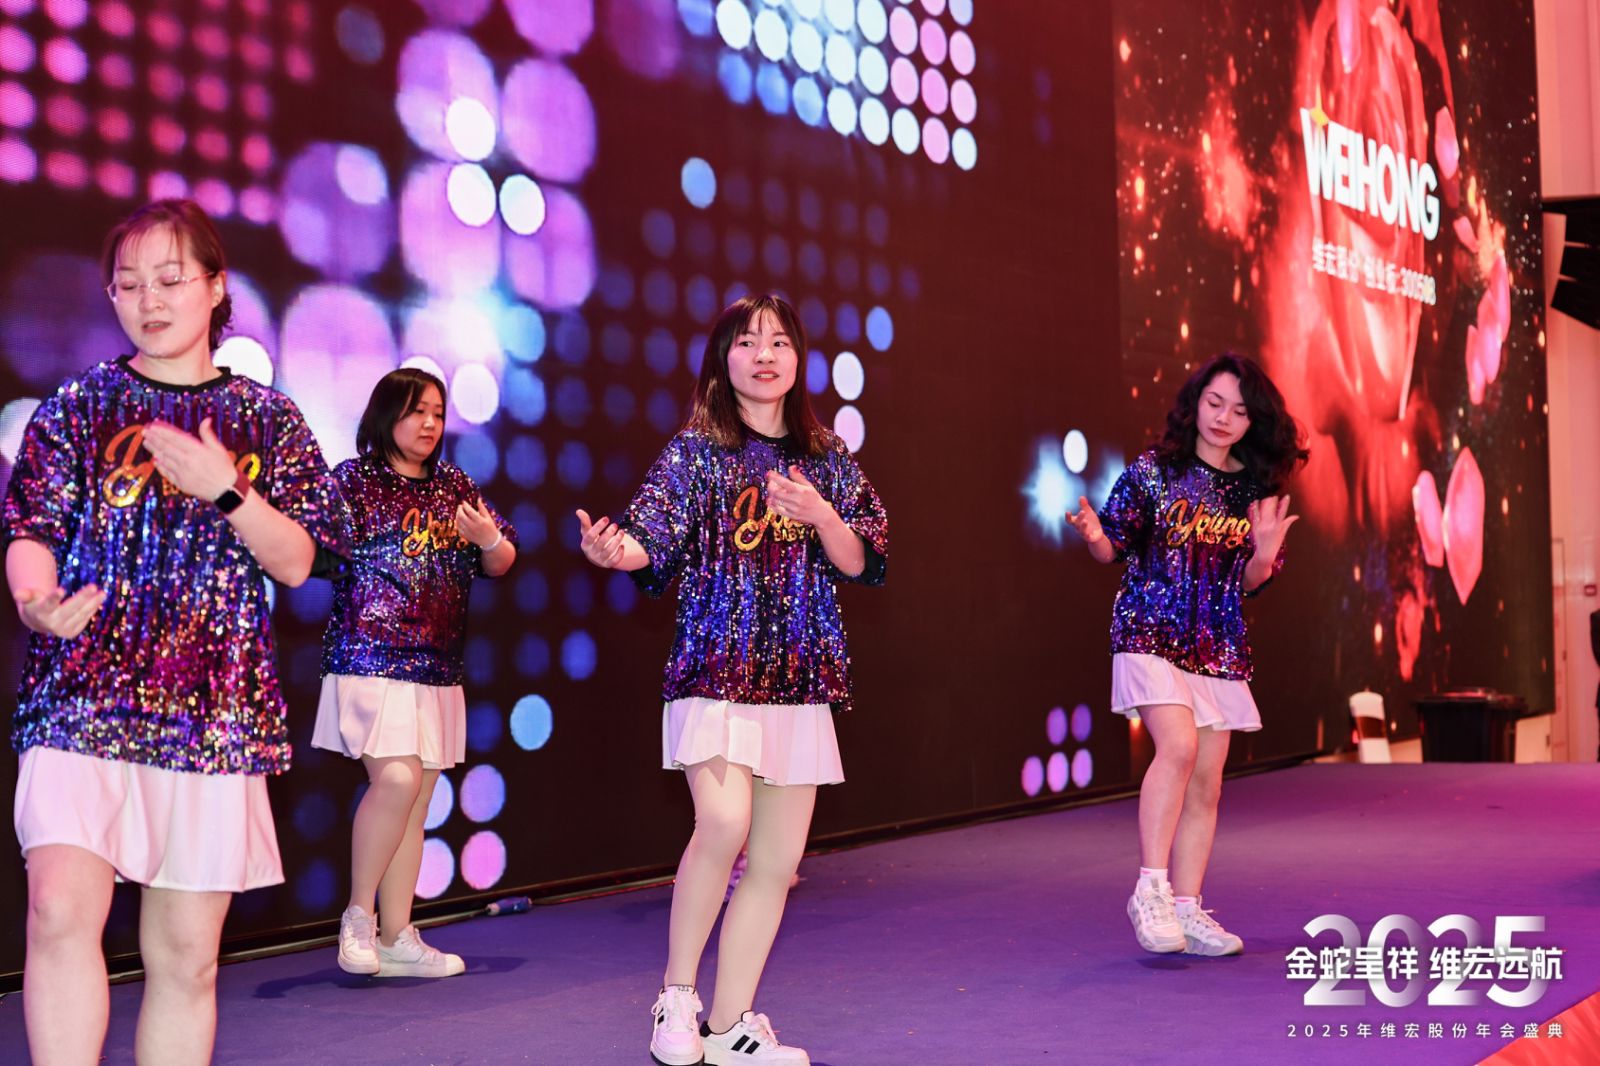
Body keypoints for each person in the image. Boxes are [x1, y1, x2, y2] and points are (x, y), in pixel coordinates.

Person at [2, 198, 346, 1064]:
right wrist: (35, 596)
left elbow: (300, 562)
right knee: (57, 911)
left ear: (216, 287)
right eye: (128, 285)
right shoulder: (81, 404)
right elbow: (30, 529)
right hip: (81, 697)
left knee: (187, 958)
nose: (148, 300)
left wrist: (226, 489)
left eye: (169, 279)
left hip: (213, 711)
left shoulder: (269, 420)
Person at [576, 294, 887, 1066]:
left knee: (776, 864)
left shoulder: (824, 458)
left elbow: (863, 560)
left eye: (779, 341)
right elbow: (649, 538)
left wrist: (823, 516)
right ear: (724, 359)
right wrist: (616, 552)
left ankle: (729, 1025)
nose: (764, 355)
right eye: (747, 342)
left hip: (800, 675)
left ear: (798, 359)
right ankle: (676, 997)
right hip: (715, 668)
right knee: (722, 823)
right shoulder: (697, 450)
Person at [1068, 352, 1307, 957]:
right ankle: (1149, 889)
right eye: (1214, 403)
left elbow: (1251, 581)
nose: (1224, 418)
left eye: (1239, 411)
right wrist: (1094, 535)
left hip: (1217, 644)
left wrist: (1264, 553)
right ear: (1195, 403)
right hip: (1147, 631)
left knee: (1207, 785)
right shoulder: (1155, 471)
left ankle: (1187, 907)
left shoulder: (1255, 492)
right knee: (1177, 747)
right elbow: (1111, 545)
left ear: (1255, 421)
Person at [312, 367, 517, 978]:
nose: (429, 424)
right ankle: (358, 915)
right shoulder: (352, 482)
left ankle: (398, 935)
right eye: (415, 411)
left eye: (437, 413)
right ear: (386, 416)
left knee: (417, 798)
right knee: (398, 781)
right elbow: (308, 551)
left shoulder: (455, 485)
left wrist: (488, 540)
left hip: (437, 667)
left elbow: (503, 559)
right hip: (368, 658)